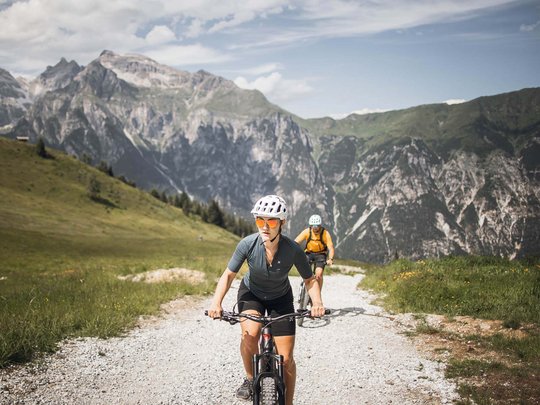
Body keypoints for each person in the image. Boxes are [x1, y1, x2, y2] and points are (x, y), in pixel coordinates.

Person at [207, 195, 325, 405]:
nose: (264, 226)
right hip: (251, 295)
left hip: (281, 299)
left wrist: (317, 303)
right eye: (260, 220)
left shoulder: (293, 250)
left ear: (282, 223)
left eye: (270, 221)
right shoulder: (247, 244)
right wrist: (216, 303)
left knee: (286, 359)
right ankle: (251, 379)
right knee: (250, 335)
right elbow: (228, 275)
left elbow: (309, 280)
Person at [294, 214, 335, 292]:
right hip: (309, 253)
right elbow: (296, 242)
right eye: (313, 226)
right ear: (311, 225)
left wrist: (330, 259)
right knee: (305, 271)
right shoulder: (307, 232)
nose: (315, 228)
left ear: (320, 225)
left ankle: (317, 293)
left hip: (321, 254)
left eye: (317, 226)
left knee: (319, 275)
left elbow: (331, 247)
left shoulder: (325, 233)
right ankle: (304, 287)